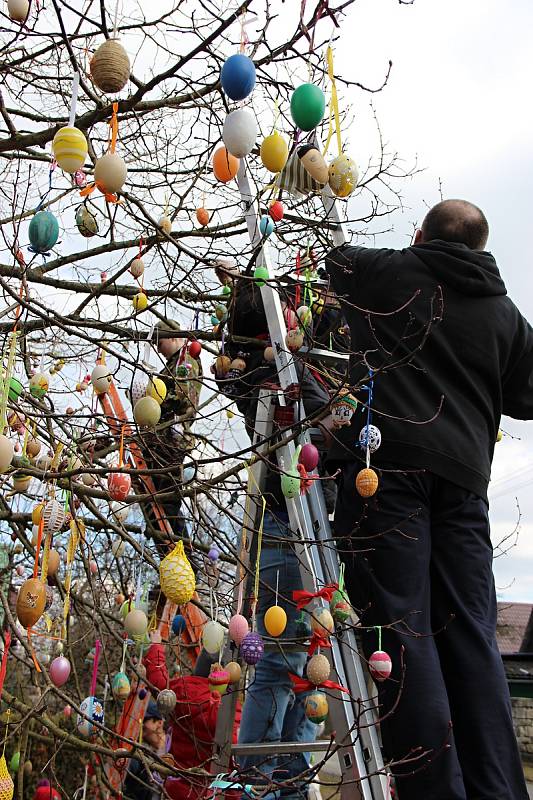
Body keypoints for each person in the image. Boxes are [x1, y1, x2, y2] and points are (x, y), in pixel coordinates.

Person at [325, 199, 531, 800]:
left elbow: (325, 265)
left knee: (402, 631)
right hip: (466, 485)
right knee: (471, 634)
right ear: (481, 251)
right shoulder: (506, 316)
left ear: (421, 235)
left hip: (386, 474)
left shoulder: (388, 273)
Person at [214, 268, 337, 799]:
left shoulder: (242, 369)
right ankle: (274, 786)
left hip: (284, 523)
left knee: (289, 663)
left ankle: (275, 785)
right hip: (297, 522)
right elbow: (325, 407)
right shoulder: (278, 372)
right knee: (290, 662)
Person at [143, 635, 241, 800]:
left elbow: (157, 680)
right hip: (217, 792)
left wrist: (155, 646)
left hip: (179, 789)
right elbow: (239, 744)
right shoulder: (230, 710)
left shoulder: (178, 692)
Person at [138, 319, 202, 554]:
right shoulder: (173, 365)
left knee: (168, 503)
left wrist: (151, 397)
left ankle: (183, 560)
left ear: (174, 338)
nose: (157, 348)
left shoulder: (186, 362)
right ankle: (171, 559)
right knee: (153, 502)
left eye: (160, 342)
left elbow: (181, 398)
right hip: (161, 439)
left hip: (170, 442)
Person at [123, 700, 166, 800]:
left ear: (159, 723)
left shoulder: (173, 747)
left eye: (145, 720)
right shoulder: (141, 751)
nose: (140, 724)